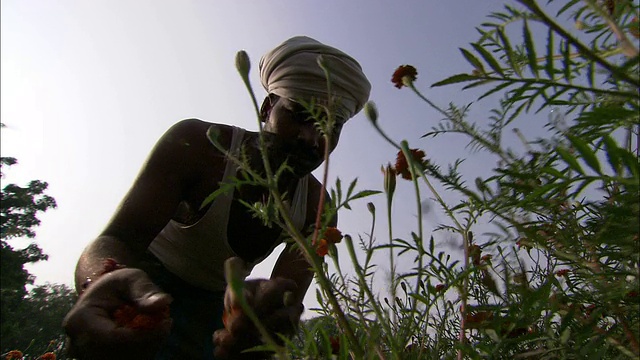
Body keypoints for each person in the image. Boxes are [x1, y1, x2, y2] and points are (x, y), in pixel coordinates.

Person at [62, 35, 371, 359]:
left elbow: (285, 298)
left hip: (217, 318)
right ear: (267, 107)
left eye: (330, 126)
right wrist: (103, 283)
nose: (312, 138)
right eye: (300, 114)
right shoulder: (198, 147)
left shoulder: (316, 208)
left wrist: (265, 322)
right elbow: (112, 240)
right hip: (139, 295)